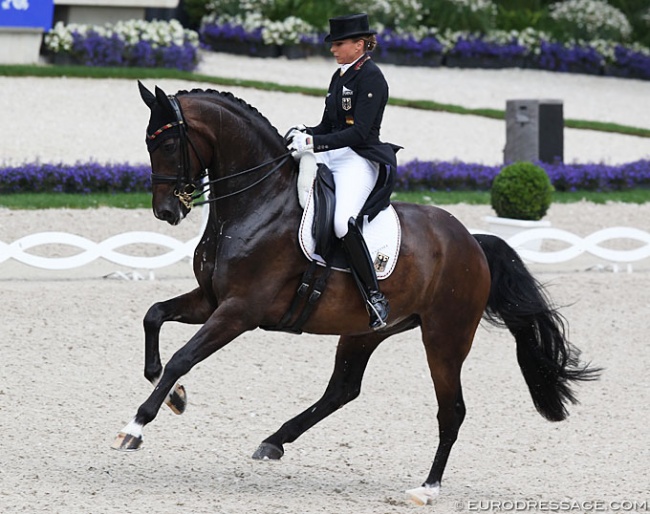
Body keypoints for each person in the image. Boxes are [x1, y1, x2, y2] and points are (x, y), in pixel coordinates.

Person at [287, 13, 400, 330]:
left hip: (358, 158)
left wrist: (314, 141)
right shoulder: (340, 76)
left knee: (340, 222)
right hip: (333, 152)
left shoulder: (372, 78)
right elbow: (327, 126)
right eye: (333, 44)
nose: (334, 49)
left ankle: (374, 297)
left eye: (339, 44)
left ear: (360, 44)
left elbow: (359, 133)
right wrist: (303, 132)